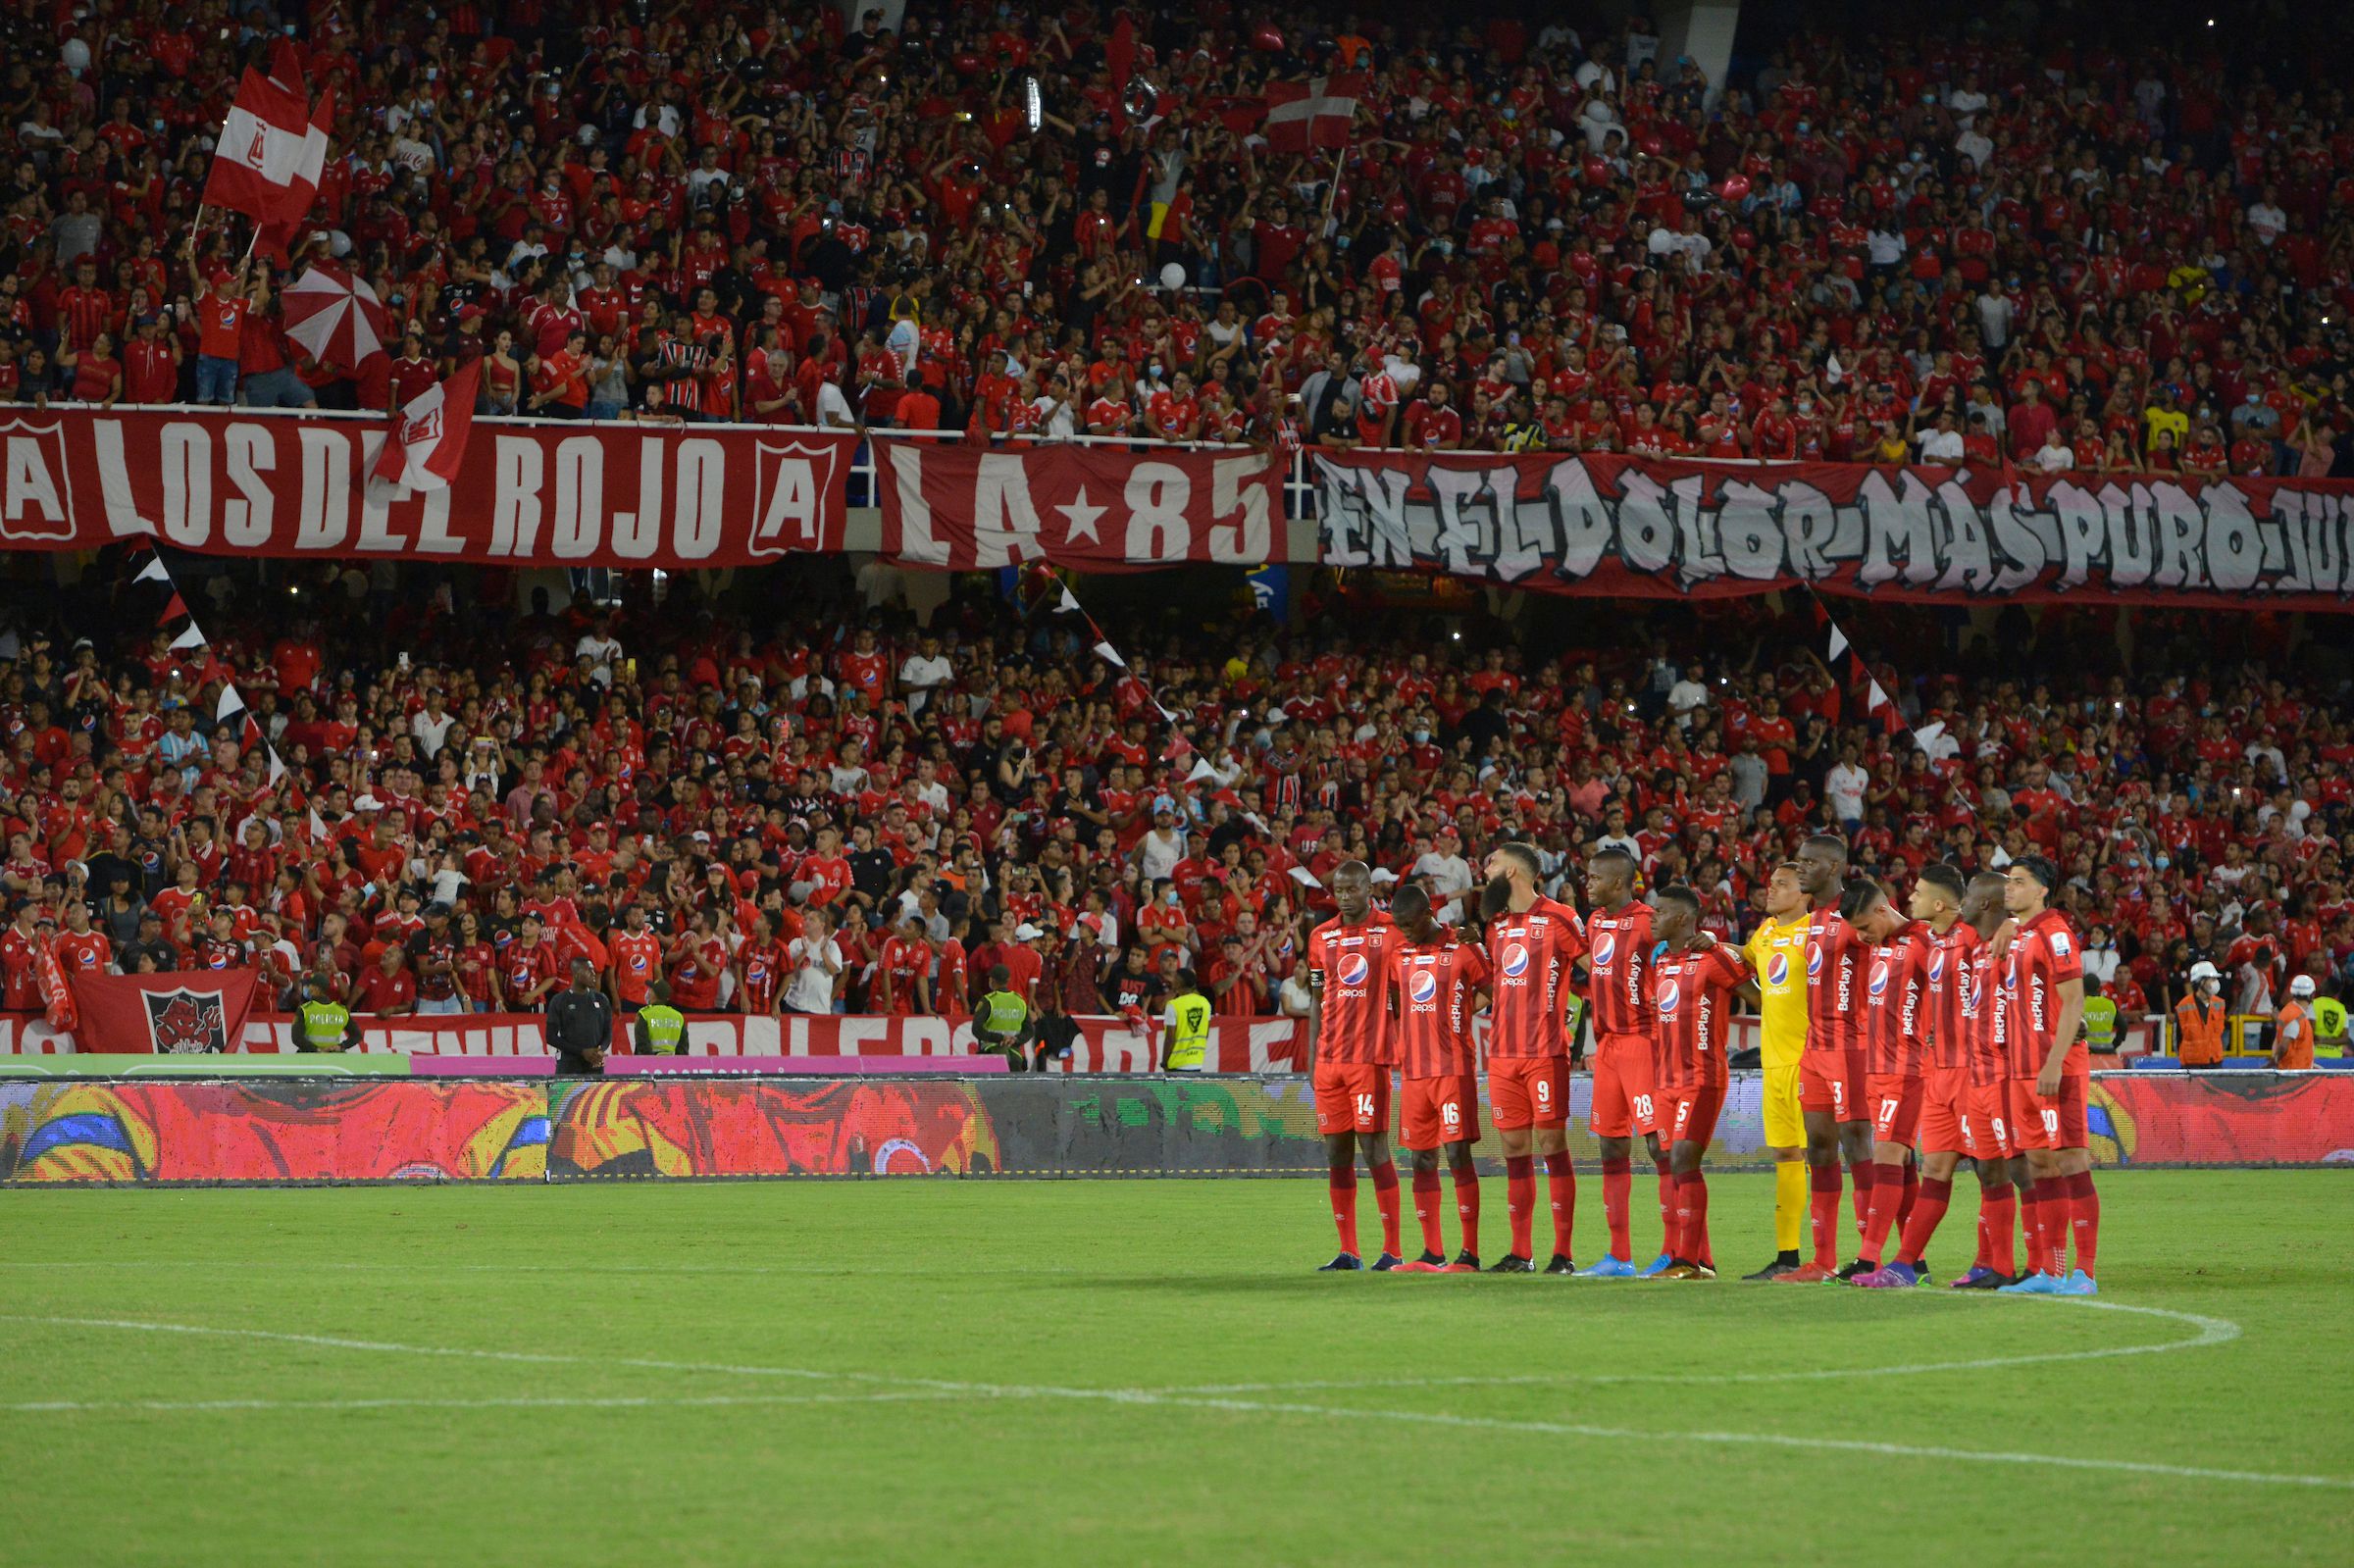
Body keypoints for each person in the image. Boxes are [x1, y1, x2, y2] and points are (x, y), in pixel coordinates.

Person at [1478, 840, 1587, 1273]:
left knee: (1552, 1143)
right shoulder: (1496, 926)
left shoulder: (1560, 918)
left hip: (1545, 1049)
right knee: (1513, 1146)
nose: (1484, 869)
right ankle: (1520, 1252)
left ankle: (1563, 1253)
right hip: (1502, 1053)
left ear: (1512, 873)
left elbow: (1596, 965)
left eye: (1492, 863)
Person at [1998, 855, 2098, 1296]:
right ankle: (2050, 1271)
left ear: (2042, 890)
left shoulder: (2056, 934)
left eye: (2019, 882)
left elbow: (2073, 1001)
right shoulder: (2022, 934)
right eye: (2008, 882)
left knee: (2070, 1160)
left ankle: (2085, 1272)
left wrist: (2055, 1062)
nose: (2009, 889)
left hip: (2056, 1067)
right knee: (2039, 1164)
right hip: (2021, 1070)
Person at [1305, 860, 1405, 1270]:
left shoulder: (1392, 931)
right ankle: (1349, 1251)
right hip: (1330, 1062)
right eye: (1338, 891)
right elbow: (1316, 999)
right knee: (1336, 1154)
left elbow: (1405, 989)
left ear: (1369, 888)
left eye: (1352, 890)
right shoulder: (1319, 937)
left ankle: (1393, 1250)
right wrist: (1312, 1060)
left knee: (1374, 1148)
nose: (1344, 897)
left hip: (1370, 1058)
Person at [1385, 884, 1491, 1273]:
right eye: (1400, 925)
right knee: (1421, 1158)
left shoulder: (1462, 947)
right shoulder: (1400, 955)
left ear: (1429, 913)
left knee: (1457, 1153)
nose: (1406, 931)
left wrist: (1462, 1010)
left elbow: (1493, 989)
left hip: (1452, 1068)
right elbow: (1398, 1000)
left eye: (1410, 924)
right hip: (1413, 1071)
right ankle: (1432, 1252)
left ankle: (1470, 1254)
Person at [1785, 834, 1874, 1282]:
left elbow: (1905, 946)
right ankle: (1823, 1260)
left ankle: (1871, 1255)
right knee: (1818, 1148)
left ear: (1835, 867)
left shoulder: (1857, 912)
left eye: (1808, 862)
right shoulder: (1815, 916)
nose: (1800, 868)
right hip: (1815, 1048)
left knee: (1857, 1144)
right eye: (1799, 861)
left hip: (1851, 1045)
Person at [1649, 885, 1749, 1279]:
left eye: (1659, 911)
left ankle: (1687, 1260)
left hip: (1702, 1077)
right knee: (1672, 1162)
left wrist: (1726, 946)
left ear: (1681, 918)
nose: (1653, 917)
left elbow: (1755, 994)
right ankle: (1701, 1260)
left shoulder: (1711, 957)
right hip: (1666, 1080)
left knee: (1683, 1161)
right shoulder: (1661, 962)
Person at [1576, 845, 1665, 1278]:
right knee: (1611, 1145)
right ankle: (1620, 1256)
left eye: (1594, 878)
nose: (1587, 884)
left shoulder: (1649, 922)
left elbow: (1678, 961)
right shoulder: (1595, 922)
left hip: (1643, 1044)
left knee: (1660, 1146)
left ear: (1617, 882)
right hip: (1608, 1048)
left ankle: (1682, 1252)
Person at [1841, 876, 1931, 1284]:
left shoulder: (1924, 941)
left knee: (1888, 1158)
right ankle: (1917, 1262)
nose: (1860, 936)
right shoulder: (1878, 944)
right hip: (1876, 1069)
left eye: (1864, 925)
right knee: (1904, 1162)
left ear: (1882, 909)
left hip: (1906, 1069)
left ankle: (1869, 1258)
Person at [1949, 870, 2027, 1289]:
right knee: (1989, 1173)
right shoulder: (1976, 947)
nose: (1960, 902)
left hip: (2005, 1075)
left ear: (1983, 904)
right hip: (1976, 1078)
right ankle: (2000, 1267)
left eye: (1967, 895)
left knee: (2021, 1169)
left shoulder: (2015, 944)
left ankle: (2040, 1267)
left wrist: (2015, 924)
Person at [1739, 861, 1814, 1279]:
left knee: (1816, 1157)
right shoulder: (1766, 931)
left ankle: (1830, 1254)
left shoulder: (1817, 932)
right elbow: (1747, 959)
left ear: (1805, 893)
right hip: (1773, 1062)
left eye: (1782, 885)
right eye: (1770, 884)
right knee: (1785, 1154)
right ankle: (1788, 1256)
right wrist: (1715, 944)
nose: (1772, 890)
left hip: (1807, 1061)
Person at [545, 956, 617, 1075]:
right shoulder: (559, 1000)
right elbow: (551, 1037)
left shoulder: (602, 999)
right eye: (589, 970)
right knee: (565, 1094)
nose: (594, 974)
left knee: (594, 1094)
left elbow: (608, 1032)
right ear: (577, 974)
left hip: (594, 1064)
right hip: (569, 1065)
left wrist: (600, 1050)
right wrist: (582, 1052)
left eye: (593, 970)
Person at [973, 964, 1032, 1068]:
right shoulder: (1019, 1001)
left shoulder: (988, 1001)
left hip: (991, 1054)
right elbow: (1029, 1030)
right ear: (1007, 980)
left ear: (992, 980)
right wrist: (1016, 1039)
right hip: (1015, 1055)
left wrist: (1000, 1038)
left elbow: (977, 1029)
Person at [2175, 961, 2227, 1067]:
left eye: (2216, 979)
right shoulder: (2183, 1006)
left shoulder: (2220, 1004)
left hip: (2215, 1061)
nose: (2215, 982)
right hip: (2192, 1064)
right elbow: (2178, 1038)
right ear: (2201, 982)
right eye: (2212, 979)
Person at [294, 975, 361, 1053]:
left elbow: (297, 1038)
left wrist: (317, 1049)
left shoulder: (305, 1010)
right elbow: (357, 1035)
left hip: (310, 1056)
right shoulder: (341, 1010)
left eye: (309, 985)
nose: (306, 988)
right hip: (333, 1056)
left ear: (316, 989)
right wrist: (342, 1046)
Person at [1161, 968, 1211, 1072]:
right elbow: (1205, 1034)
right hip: (1197, 1062)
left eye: (1175, 978)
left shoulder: (1173, 1005)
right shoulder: (1205, 1003)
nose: (1172, 980)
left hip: (1177, 1064)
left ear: (1179, 983)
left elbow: (1170, 1039)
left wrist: (1165, 1062)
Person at [2274, 976, 2316, 1070]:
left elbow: (2277, 1039)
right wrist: (2276, 1061)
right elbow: (2284, 1045)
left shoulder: (2289, 1010)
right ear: (2312, 995)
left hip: (2294, 1071)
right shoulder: (2296, 1017)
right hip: (2295, 1073)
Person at [633, 982, 687, 1055]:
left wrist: (653, 1064)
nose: (648, 992)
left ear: (654, 994)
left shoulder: (644, 1014)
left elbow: (642, 1045)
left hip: (649, 1064)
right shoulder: (678, 1016)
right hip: (672, 1063)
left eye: (650, 990)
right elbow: (683, 1048)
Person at [2080, 976, 2121, 1054]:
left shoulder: (2081, 1005)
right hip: (2108, 1050)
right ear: (2099, 988)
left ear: (2083, 988)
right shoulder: (2110, 1004)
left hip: (2087, 1050)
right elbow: (2123, 1026)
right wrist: (2114, 1045)